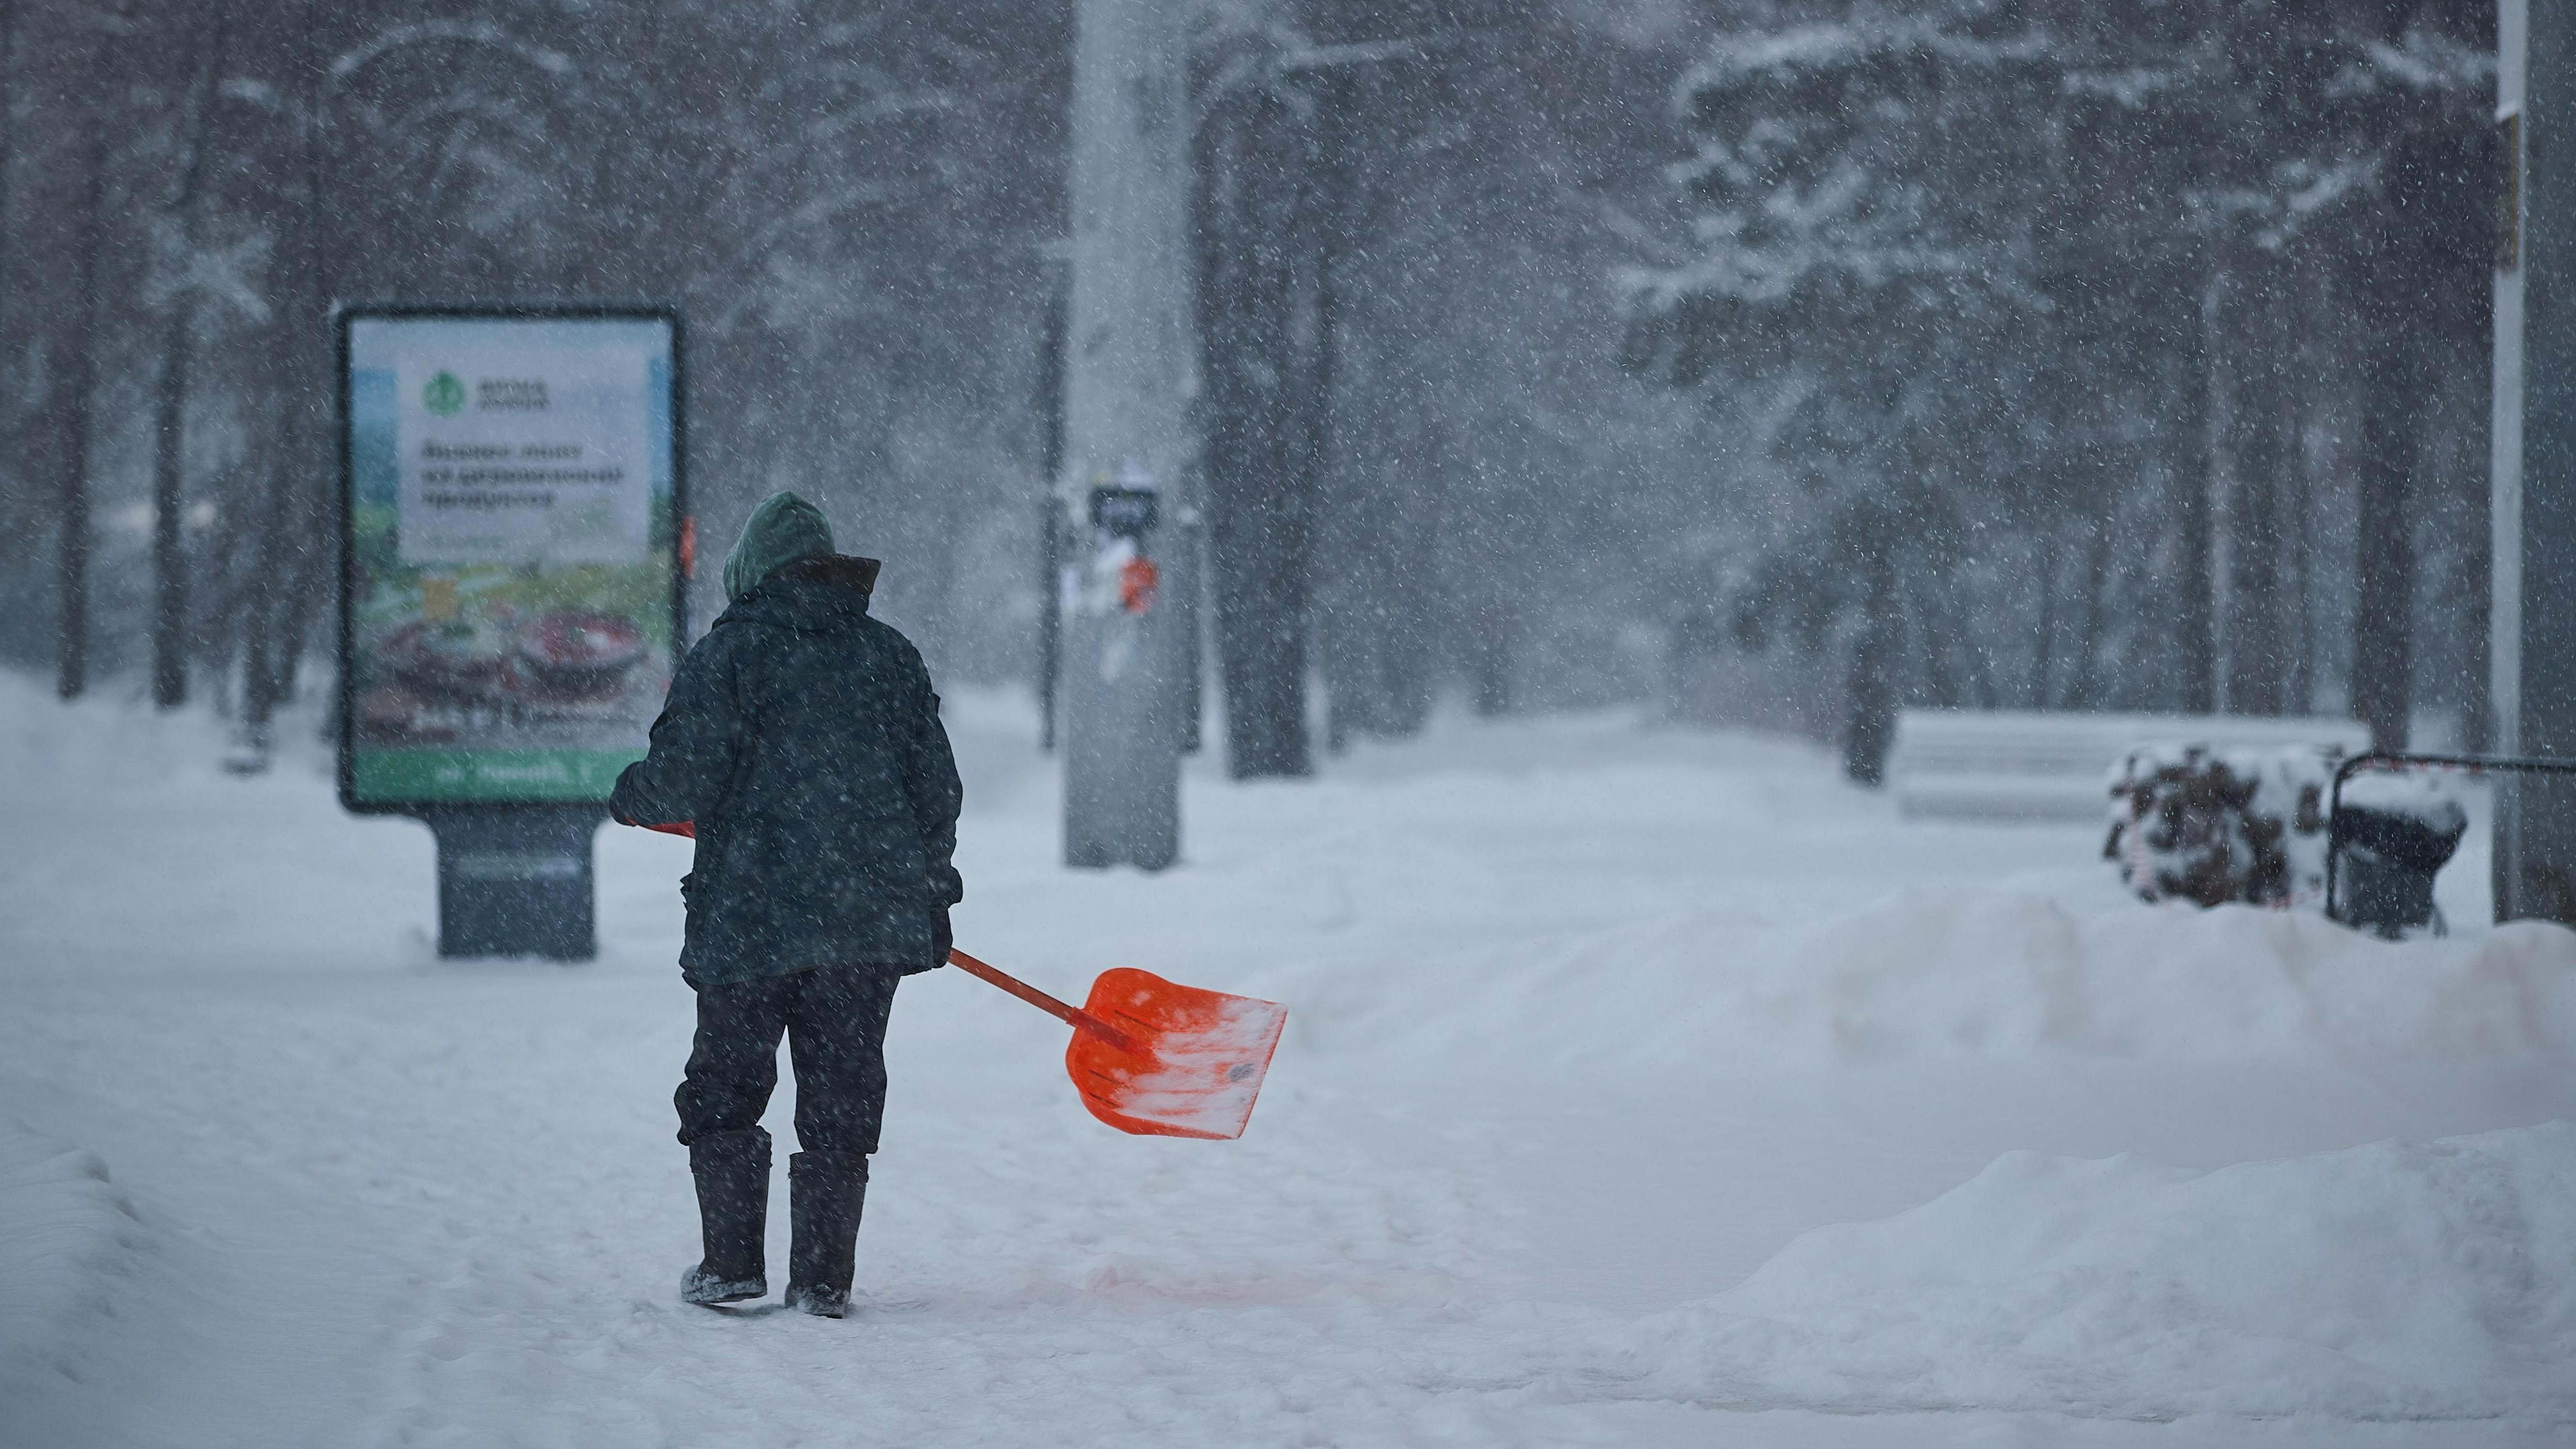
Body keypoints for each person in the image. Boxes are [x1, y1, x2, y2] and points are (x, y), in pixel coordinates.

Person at [610, 491, 963, 1318]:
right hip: (866, 924)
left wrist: (629, 796)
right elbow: (936, 794)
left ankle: (731, 1265)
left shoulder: (730, 657)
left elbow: (681, 779)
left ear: (752, 576)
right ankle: (824, 1281)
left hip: (750, 918)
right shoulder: (890, 656)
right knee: (842, 1096)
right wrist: (931, 892)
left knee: (727, 1087)